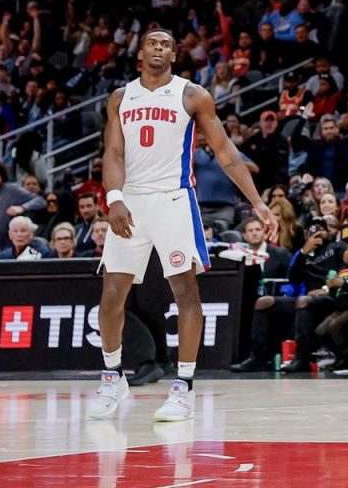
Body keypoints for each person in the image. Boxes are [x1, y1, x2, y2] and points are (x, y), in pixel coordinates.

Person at [88, 29, 276, 423]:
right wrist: (115, 199)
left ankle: (184, 388)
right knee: (111, 295)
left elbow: (225, 152)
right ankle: (112, 377)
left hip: (174, 199)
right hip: (131, 201)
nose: (158, 48)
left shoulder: (192, 95)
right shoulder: (121, 97)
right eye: (152, 43)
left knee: (185, 291)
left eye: (166, 44)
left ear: (175, 53)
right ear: (140, 52)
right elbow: (114, 152)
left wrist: (257, 202)